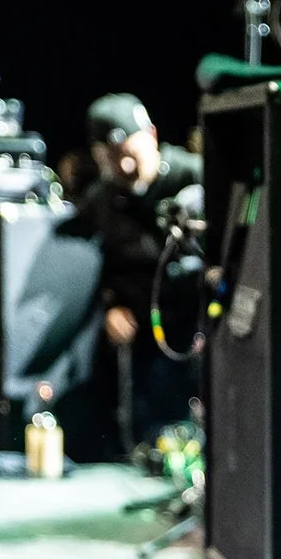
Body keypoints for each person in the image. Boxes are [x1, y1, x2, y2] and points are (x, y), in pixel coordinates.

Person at [59, 93, 201, 457]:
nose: (124, 166)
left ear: (151, 135)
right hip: (143, 343)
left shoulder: (195, 176)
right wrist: (110, 306)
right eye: (112, 158)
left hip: (200, 332)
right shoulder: (101, 201)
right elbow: (87, 266)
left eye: (130, 152)